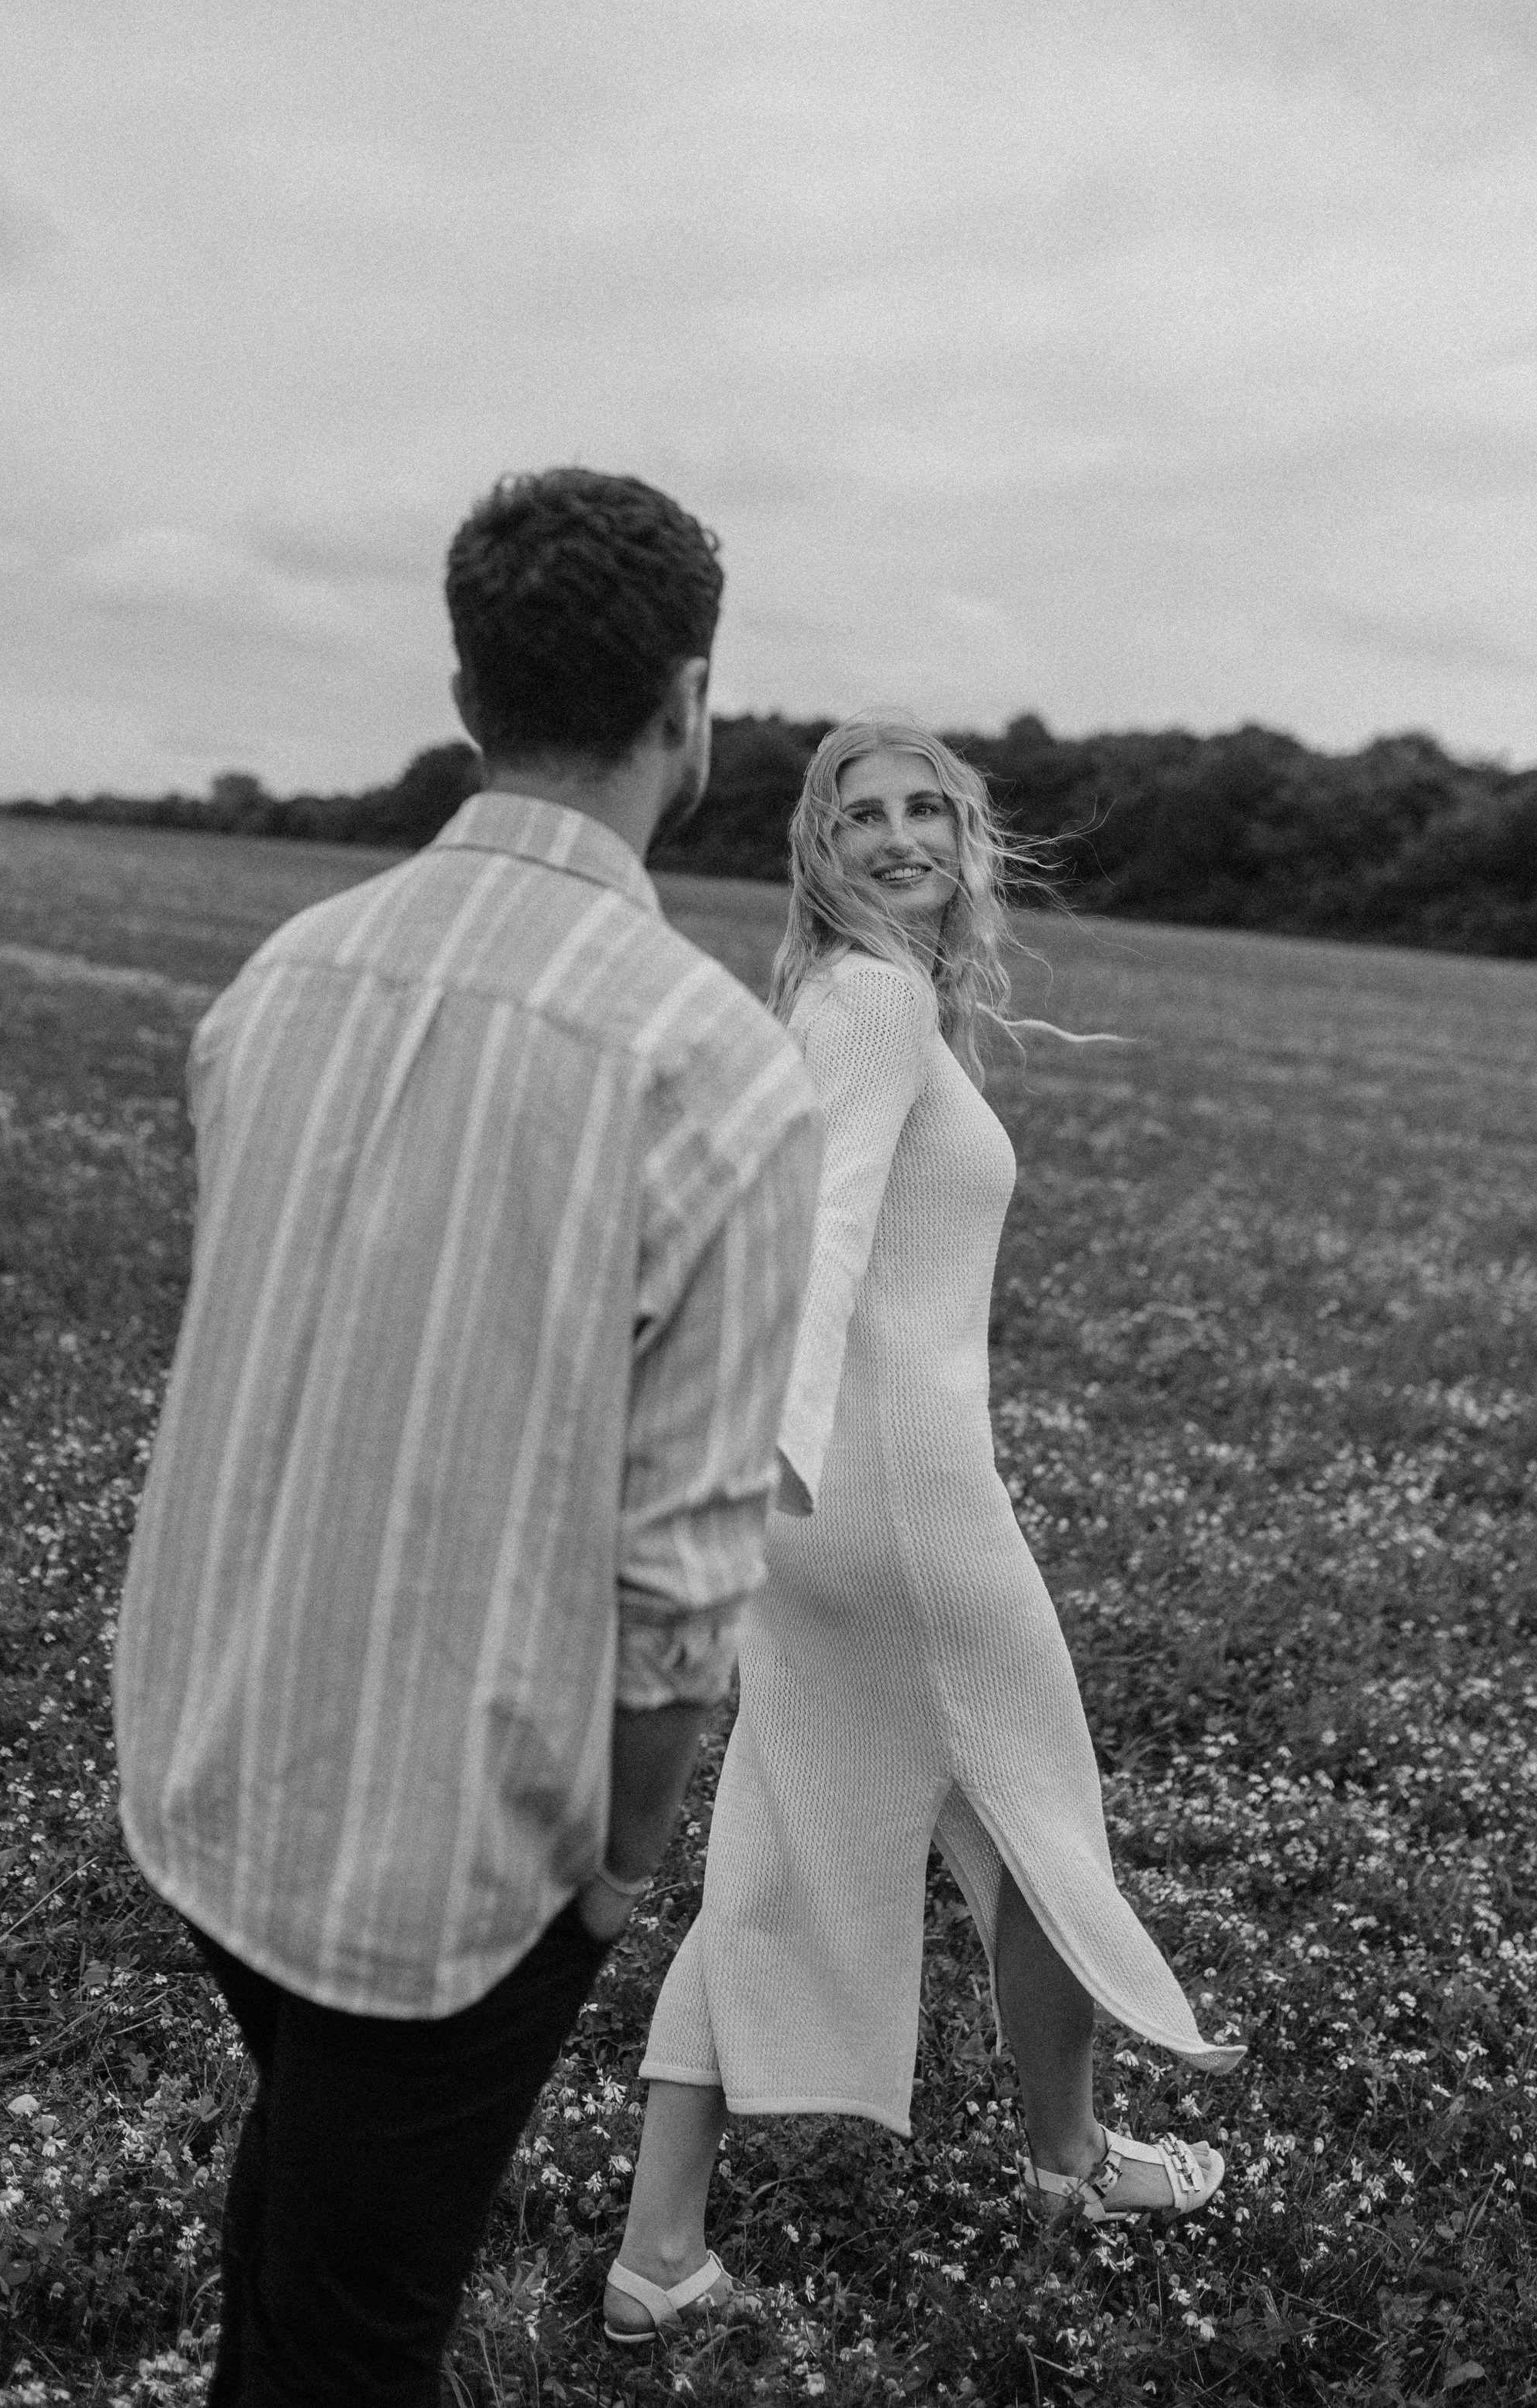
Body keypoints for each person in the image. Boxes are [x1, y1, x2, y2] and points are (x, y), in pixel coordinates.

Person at [114, 468, 824, 2406]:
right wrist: (616, 1865)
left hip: (209, 1759)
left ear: (463, 687)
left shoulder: (281, 979)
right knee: (351, 2340)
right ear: (691, 700)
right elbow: (679, 1586)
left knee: (315, 2226)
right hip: (455, 1856)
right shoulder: (720, 1074)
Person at [604, 715, 1243, 2347]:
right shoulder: (873, 1002)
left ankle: (658, 2253)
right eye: (860, 814)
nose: (895, 836)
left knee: (778, 1844)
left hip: (830, 1498)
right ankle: (1073, 2159)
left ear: (965, 841)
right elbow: (815, 1233)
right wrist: (781, 1447)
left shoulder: (842, 998)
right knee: (1038, 1816)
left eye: (924, 811)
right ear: (816, 847)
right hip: (882, 1498)